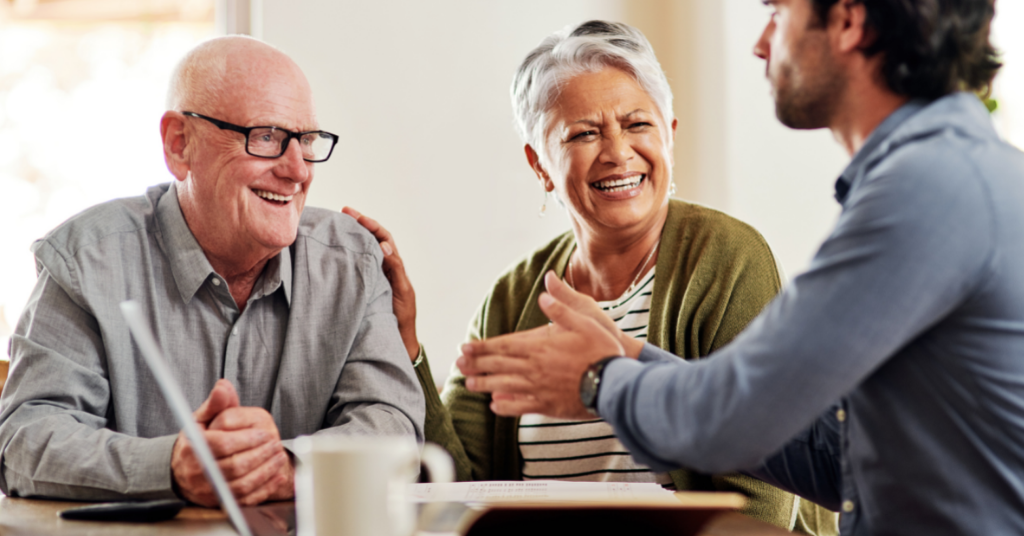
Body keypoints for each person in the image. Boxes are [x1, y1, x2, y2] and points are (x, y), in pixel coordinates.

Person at [458, 1, 1024, 534]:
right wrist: (630, 360)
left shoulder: (927, 191)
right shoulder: (941, 177)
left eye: (778, 12)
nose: (760, 43)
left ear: (849, 20)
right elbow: (829, 455)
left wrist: (598, 381)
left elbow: (741, 417)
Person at [347, 20, 834, 533]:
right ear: (539, 164)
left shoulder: (728, 259)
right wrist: (406, 343)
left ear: (669, 134)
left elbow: (759, 506)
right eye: (584, 133)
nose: (618, 151)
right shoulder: (512, 298)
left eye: (637, 124)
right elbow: (457, 486)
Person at [0, 36, 424, 506]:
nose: (298, 170)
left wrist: (287, 466)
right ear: (179, 144)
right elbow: (25, 440)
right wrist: (171, 466)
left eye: (306, 141)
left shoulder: (352, 262)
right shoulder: (86, 261)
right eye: (266, 137)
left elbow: (393, 422)